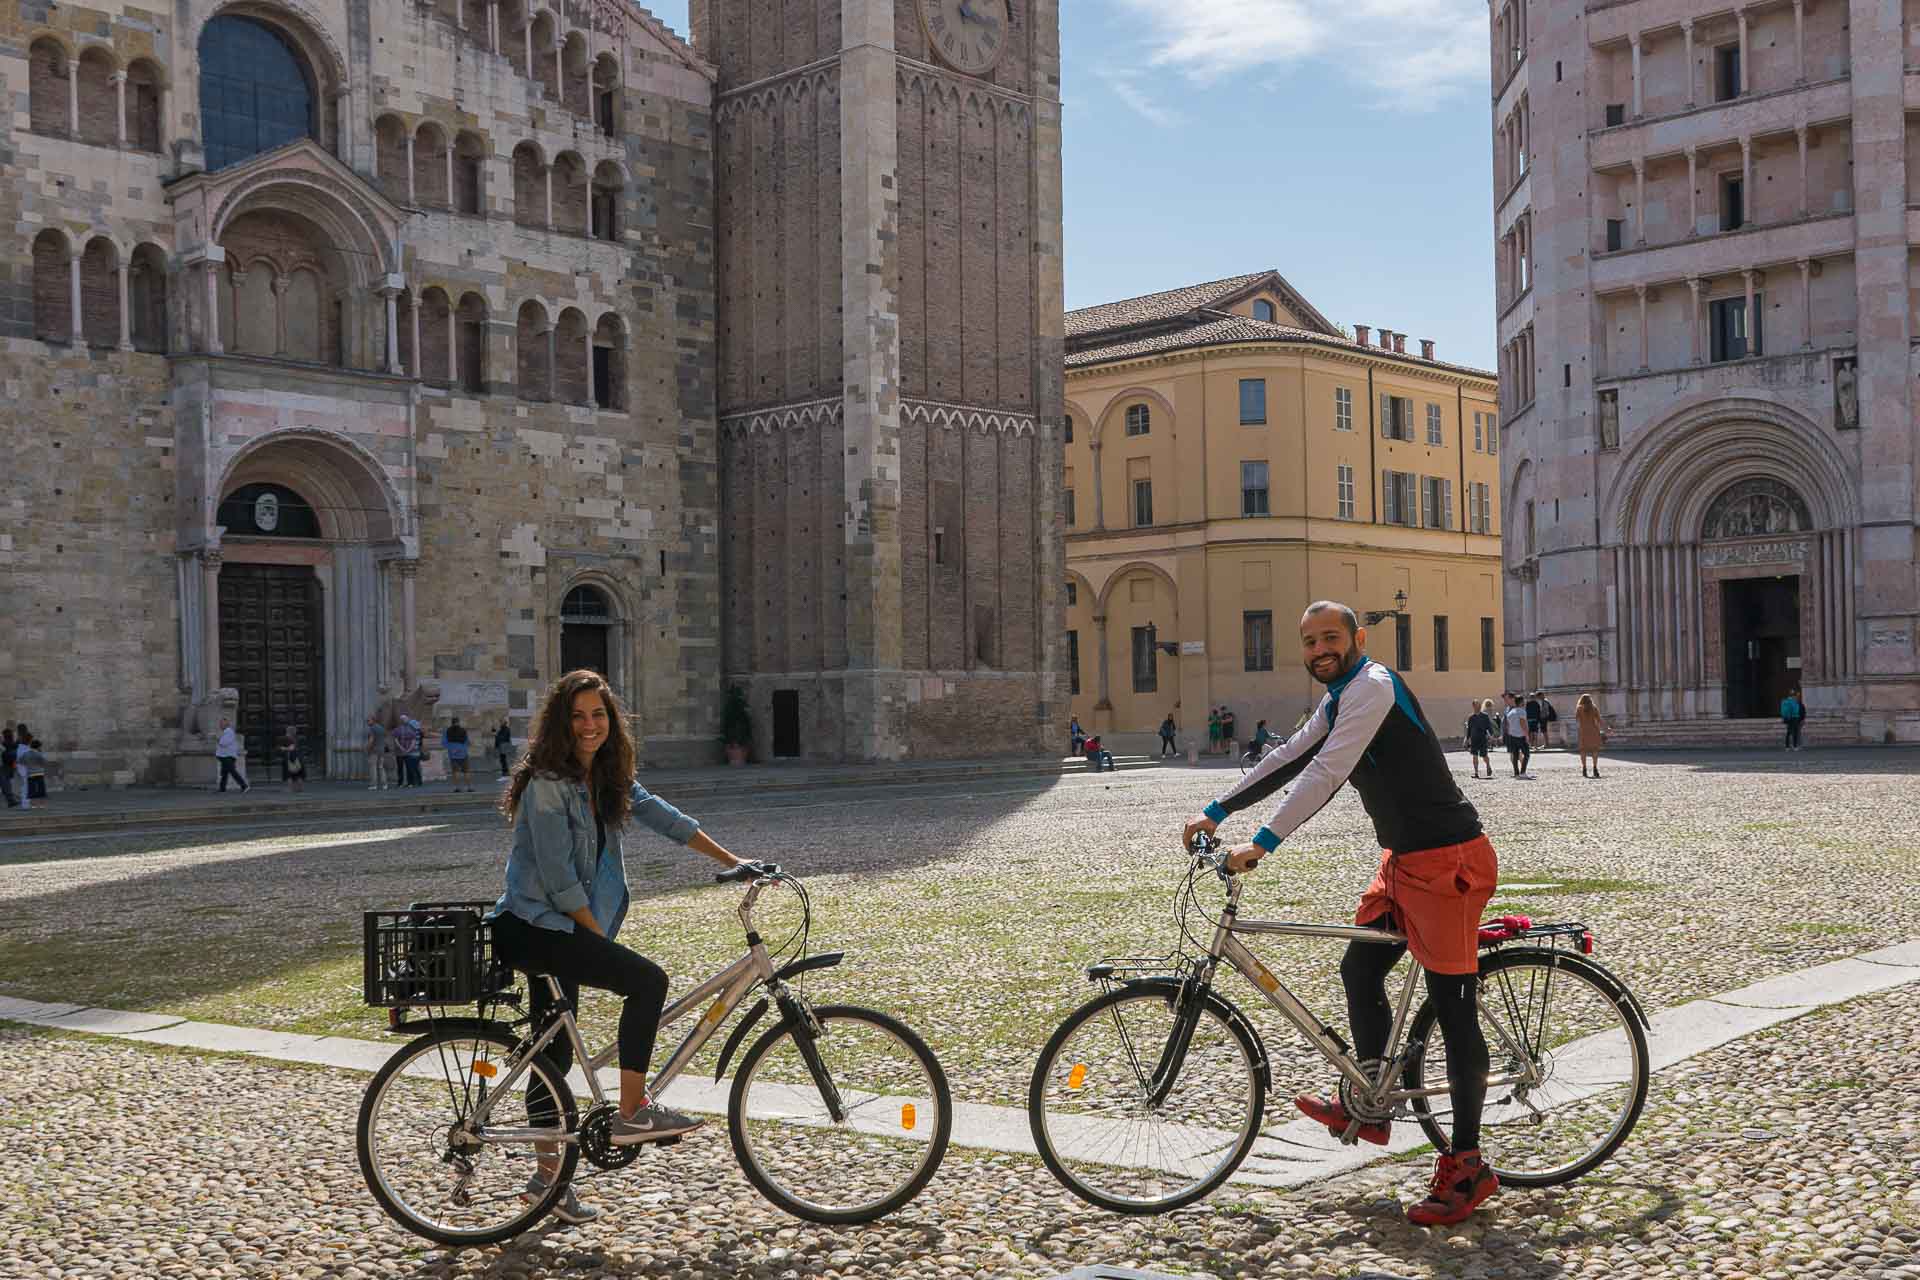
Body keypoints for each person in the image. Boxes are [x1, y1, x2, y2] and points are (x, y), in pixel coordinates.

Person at [1182, 601, 1499, 1227]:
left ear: (1357, 638)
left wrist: (1263, 843)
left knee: (1455, 1012)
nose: (1319, 648)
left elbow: (1328, 769)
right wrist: (1215, 809)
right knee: (1359, 970)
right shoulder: (1340, 696)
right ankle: (1374, 1108)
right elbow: (1291, 754)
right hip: (1404, 863)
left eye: (1331, 637)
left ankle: (1467, 1165)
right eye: (1309, 641)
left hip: (1448, 864)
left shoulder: (1373, 687)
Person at [488, 669, 752, 1224]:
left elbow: (663, 816)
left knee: (550, 1056)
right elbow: (560, 880)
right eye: (579, 716)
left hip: (561, 929)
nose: (590, 725)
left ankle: (546, 1182)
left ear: (612, 721)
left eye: (599, 715)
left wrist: (734, 861)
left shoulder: (605, 777)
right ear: (562, 723)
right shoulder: (547, 784)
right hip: (537, 926)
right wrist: (594, 940)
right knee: (646, 981)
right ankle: (632, 1112)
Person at [1575, 694, 1608, 778]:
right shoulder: (1594, 708)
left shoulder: (1579, 709)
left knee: (1583, 751)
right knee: (1595, 750)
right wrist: (1607, 728)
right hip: (1594, 730)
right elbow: (1600, 720)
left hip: (1583, 731)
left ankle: (1584, 769)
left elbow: (1577, 720)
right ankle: (1595, 768)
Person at [1501, 692, 1531, 778]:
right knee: (1527, 754)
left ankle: (1516, 773)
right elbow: (1523, 724)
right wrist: (1527, 735)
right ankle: (1523, 772)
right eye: (1523, 701)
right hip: (1520, 736)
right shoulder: (1522, 711)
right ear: (1521, 702)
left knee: (1515, 755)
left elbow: (1507, 725)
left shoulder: (1510, 712)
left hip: (1512, 736)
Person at [214, 718, 249, 793]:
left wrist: (216, 738)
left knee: (232, 772)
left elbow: (223, 743)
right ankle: (222, 788)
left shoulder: (228, 732)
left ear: (226, 724)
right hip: (225, 756)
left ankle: (244, 786)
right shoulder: (226, 732)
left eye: (221, 723)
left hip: (228, 756)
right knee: (224, 773)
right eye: (220, 723)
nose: (220, 725)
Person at [1465, 700, 1495, 779]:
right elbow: (1469, 729)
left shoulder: (1484, 716)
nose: (1477, 707)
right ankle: (1476, 772)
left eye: (1478, 705)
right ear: (1473, 706)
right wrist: (1467, 738)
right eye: (1475, 705)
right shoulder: (1471, 717)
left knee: (1484, 755)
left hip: (1482, 738)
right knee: (1474, 755)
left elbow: (1489, 727)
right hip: (1474, 738)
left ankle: (1488, 766)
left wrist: (1491, 735)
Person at [393, 716, 422, 788]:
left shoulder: (397, 729)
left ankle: (401, 783)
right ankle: (411, 782)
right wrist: (408, 749)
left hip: (400, 752)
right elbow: (413, 741)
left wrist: (401, 748)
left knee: (401, 768)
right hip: (409, 752)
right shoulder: (413, 730)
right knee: (410, 768)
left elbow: (396, 740)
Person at [365, 715, 392, 791]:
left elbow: (371, 740)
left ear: (373, 720)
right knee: (381, 767)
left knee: (373, 767)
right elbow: (385, 739)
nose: (367, 722)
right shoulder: (381, 728)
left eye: (368, 721)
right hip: (382, 750)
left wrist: (367, 749)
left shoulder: (372, 729)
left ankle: (373, 785)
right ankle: (384, 785)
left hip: (374, 751)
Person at [445, 717, 472, 791]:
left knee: (455, 771)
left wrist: (450, 748)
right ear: (458, 722)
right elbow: (467, 742)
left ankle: (457, 788)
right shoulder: (463, 730)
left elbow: (444, 742)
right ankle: (469, 787)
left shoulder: (448, 731)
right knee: (466, 771)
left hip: (453, 753)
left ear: (452, 722)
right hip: (463, 752)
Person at [281, 727, 305, 793]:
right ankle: (299, 788)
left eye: (286, 731)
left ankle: (290, 789)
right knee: (299, 774)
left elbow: (291, 748)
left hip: (290, 758)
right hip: (299, 758)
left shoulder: (288, 739)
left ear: (288, 732)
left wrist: (284, 748)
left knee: (289, 775)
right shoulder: (297, 738)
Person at [1, 728, 17, 809]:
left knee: (5, 783)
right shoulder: (13, 744)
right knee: (6, 783)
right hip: (6, 766)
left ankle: (11, 800)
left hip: (4, 766)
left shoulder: (4, 744)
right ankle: (11, 800)